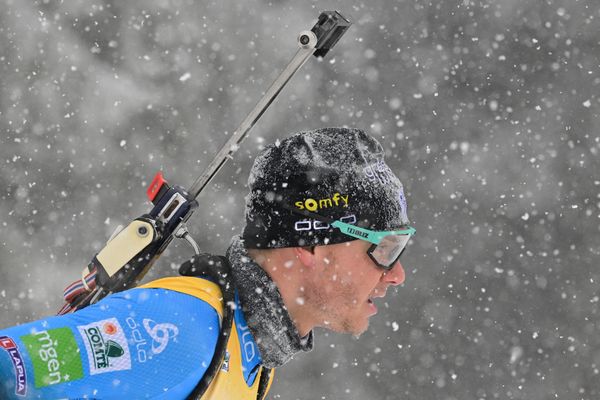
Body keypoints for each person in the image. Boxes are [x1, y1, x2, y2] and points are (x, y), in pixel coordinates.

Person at [0, 127, 415, 399]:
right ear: (310, 244)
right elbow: (9, 363)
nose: (396, 274)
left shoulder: (251, 354)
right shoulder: (181, 329)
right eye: (385, 248)